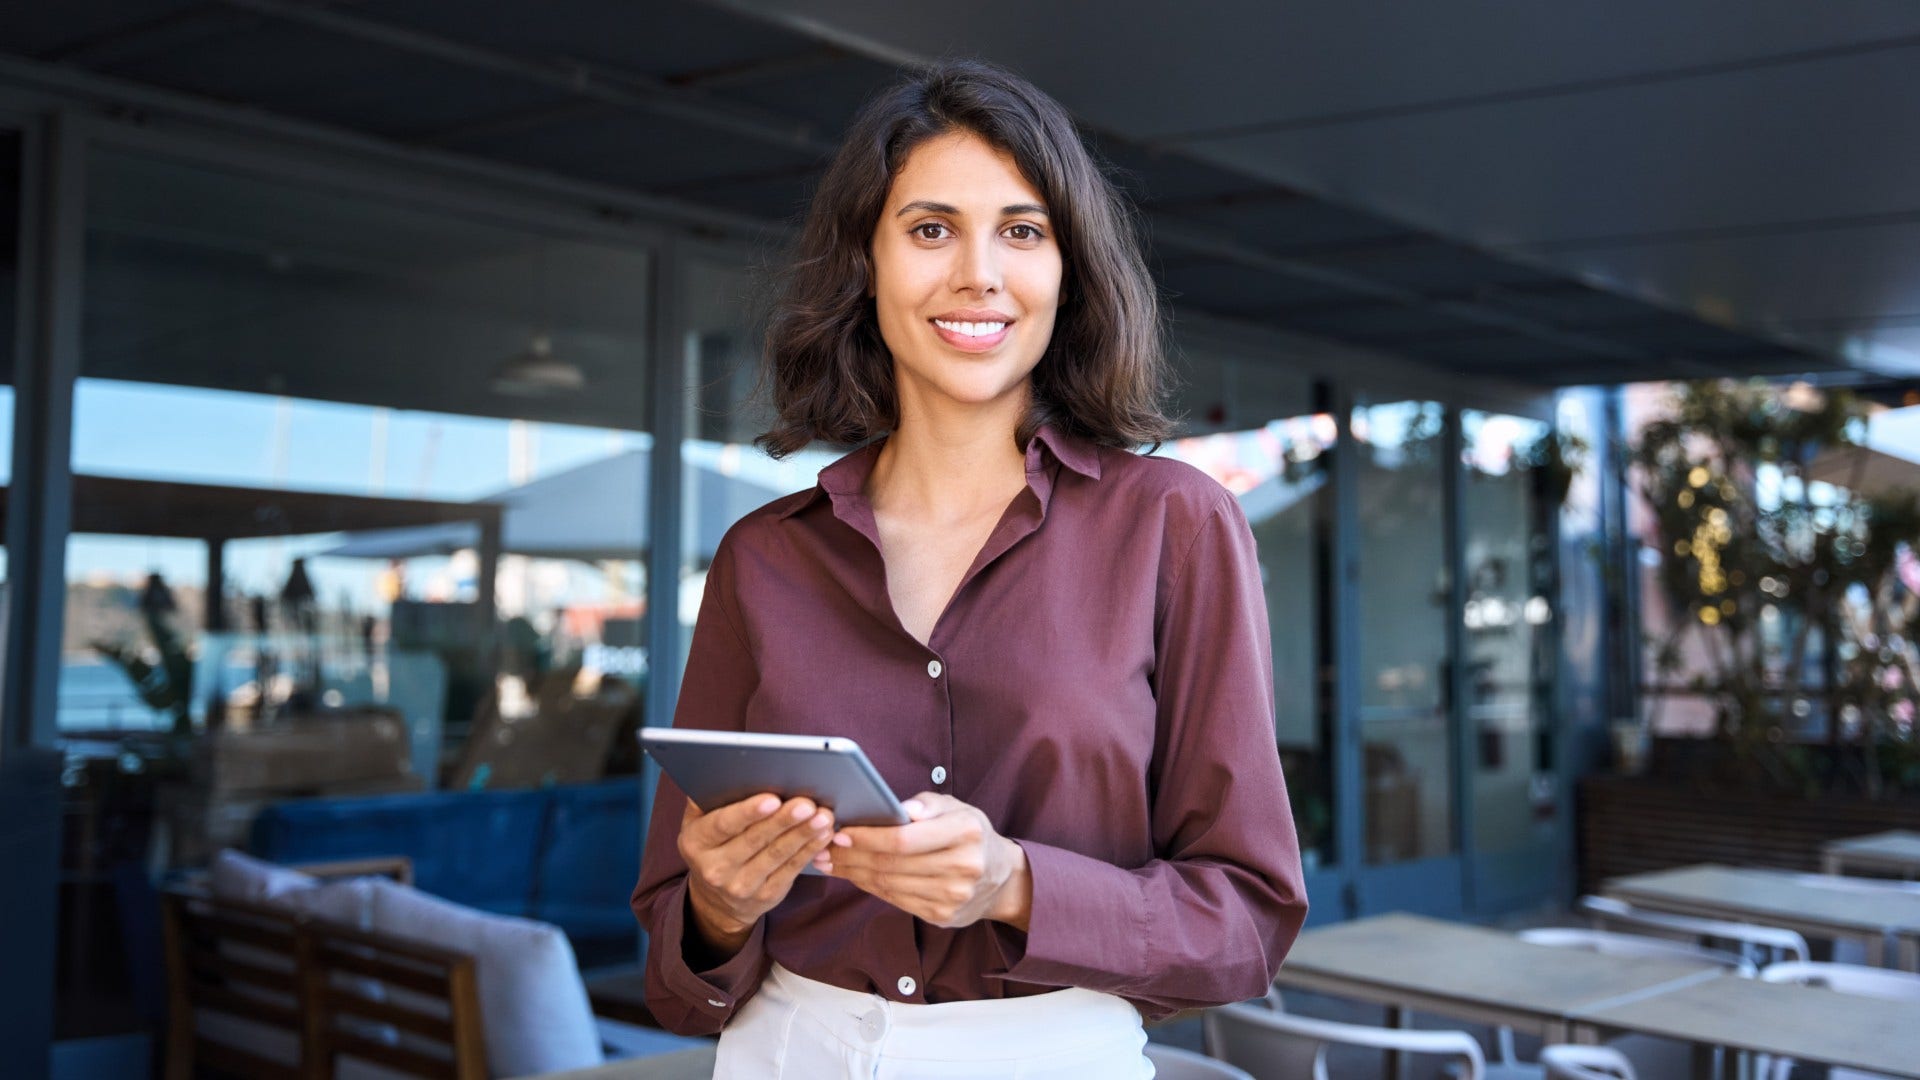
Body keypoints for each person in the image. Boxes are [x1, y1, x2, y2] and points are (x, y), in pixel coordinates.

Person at [631, 59, 1307, 1078]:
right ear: (867, 262)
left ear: (1069, 270)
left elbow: (1247, 924)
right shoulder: (763, 557)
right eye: (930, 228)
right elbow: (677, 971)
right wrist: (720, 910)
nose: (977, 274)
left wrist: (1018, 884)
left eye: (1023, 231)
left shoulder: (1176, 525)